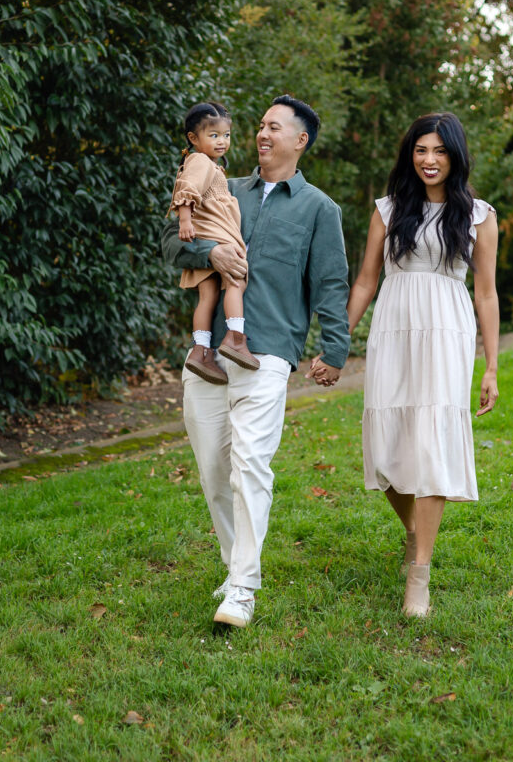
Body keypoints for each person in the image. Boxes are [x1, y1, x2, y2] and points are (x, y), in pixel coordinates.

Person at [162, 95, 350, 627]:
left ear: (300, 141)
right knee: (213, 469)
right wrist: (208, 253)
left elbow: (330, 285)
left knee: (250, 464)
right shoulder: (220, 185)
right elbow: (168, 245)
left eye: (274, 127)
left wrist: (334, 349)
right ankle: (234, 565)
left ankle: (243, 586)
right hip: (207, 354)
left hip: (269, 353)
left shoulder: (320, 209)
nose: (262, 134)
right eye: (260, 125)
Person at [311, 112, 499, 617]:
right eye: (421, 150)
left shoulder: (479, 215)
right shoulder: (388, 209)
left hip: (447, 329)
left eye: (439, 151)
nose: (429, 160)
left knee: (432, 439)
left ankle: (420, 574)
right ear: (409, 155)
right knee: (387, 448)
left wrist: (491, 367)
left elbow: (485, 293)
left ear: (455, 156)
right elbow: (366, 282)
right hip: (393, 327)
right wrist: (336, 345)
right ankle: (414, 532)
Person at [168, 101, 260, 384]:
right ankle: (235, 337)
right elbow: (187, 189)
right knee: (236, 280)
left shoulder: (211, 166)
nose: (222, 141)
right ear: (193, 139)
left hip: (206, 235)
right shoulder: (200, 161)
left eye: (226, 135)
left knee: (207, 296)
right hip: (216, 235)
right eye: (213, 135)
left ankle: (200, 350)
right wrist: (185, 219)